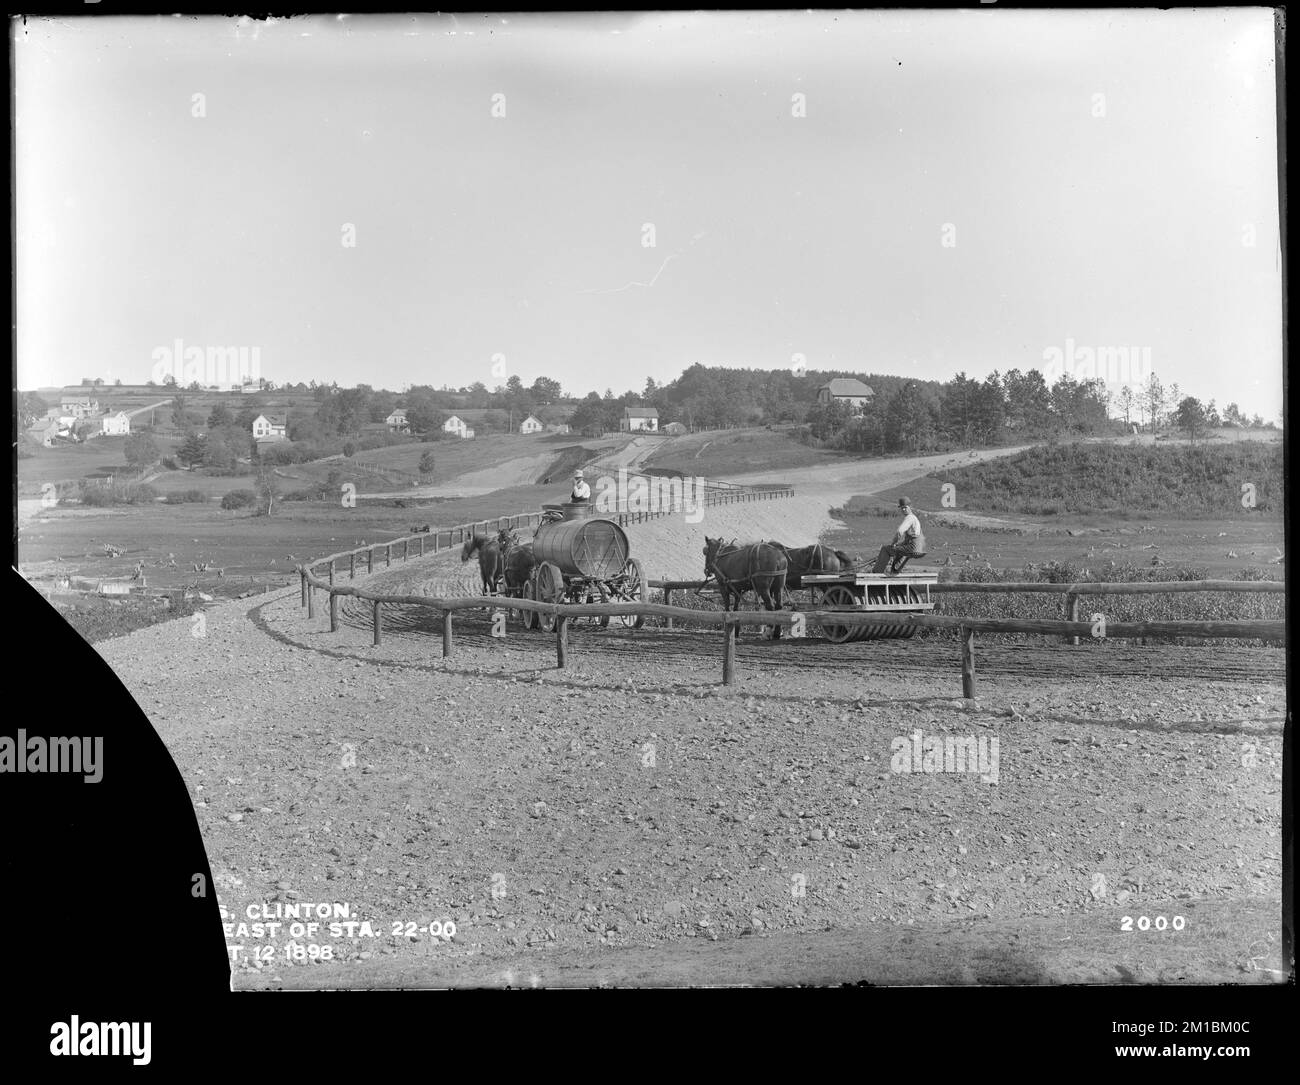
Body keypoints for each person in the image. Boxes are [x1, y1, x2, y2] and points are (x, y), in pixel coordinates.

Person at [873, 497, 927, 574]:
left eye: (905, 507)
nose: (903, 510)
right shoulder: (915, 519)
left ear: (910, 507)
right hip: (917, 549)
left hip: (912, 548)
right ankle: (894, 572)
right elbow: (910, 539)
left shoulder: (909, 518)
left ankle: (876, 574)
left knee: (885, 549)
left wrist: (893, 543)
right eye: (902, 508)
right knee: (899, 549)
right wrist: (897, 545)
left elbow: (899, 532)